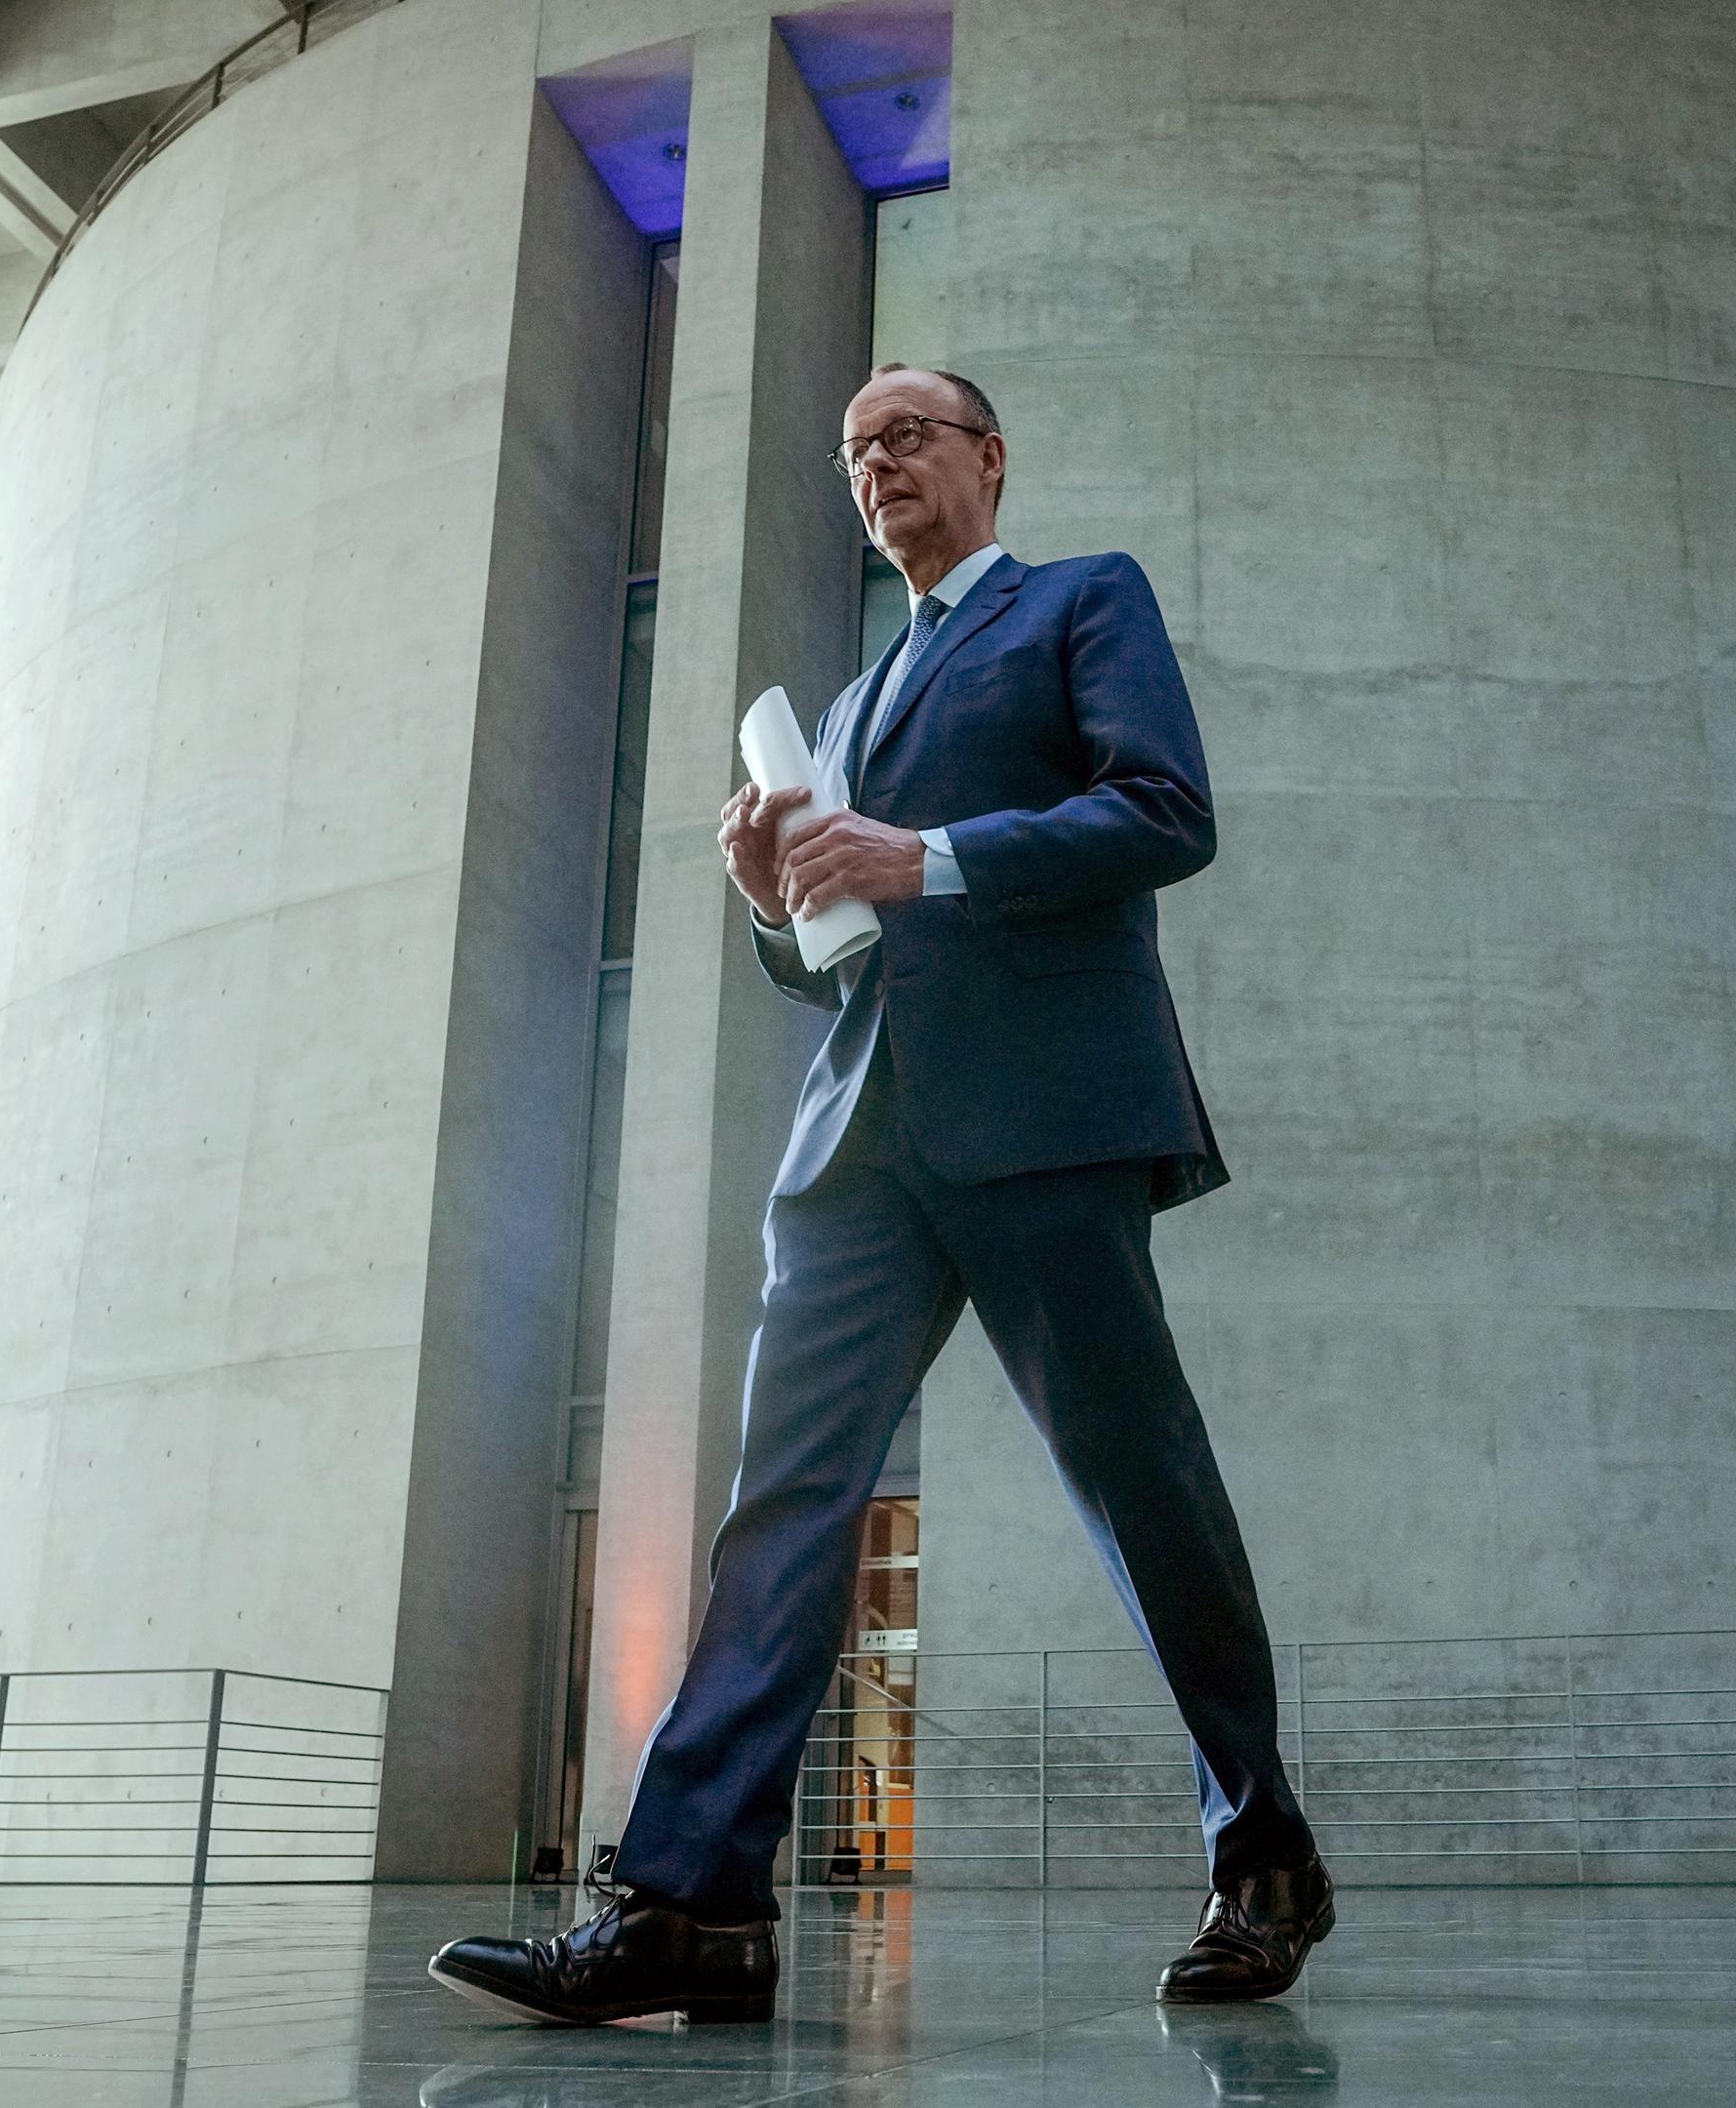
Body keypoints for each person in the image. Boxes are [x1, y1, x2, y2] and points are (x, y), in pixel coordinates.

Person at [429, 364, 1327, 2026]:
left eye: (907, 433)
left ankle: (1261, 1851)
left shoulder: (1079, 601)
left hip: (1048, 1115)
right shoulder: (844, 712)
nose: (878, 464)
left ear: (990, 456)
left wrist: (929, 856)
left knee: (1146, 1496)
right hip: (859, 1149)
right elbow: (824, 964)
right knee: (782, 1508)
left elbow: (1164, 813)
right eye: (855, 452)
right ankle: (691, 1902)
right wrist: (777, 902)